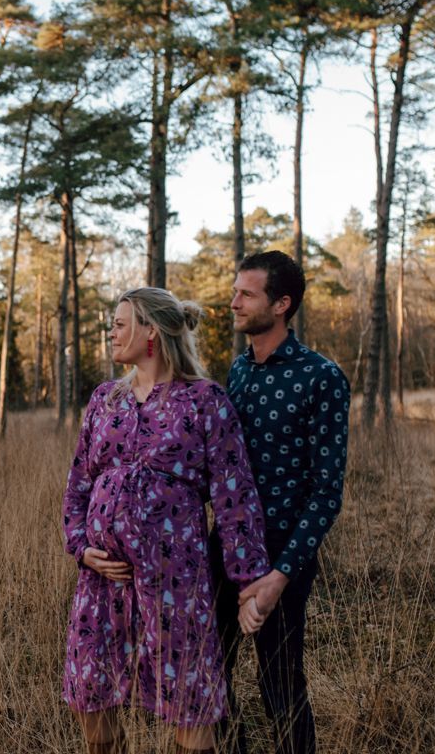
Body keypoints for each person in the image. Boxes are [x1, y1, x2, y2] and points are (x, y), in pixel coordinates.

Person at [61, 287, 271, 754]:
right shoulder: (104, 400)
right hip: (102, 583)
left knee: (190, 700)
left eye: (120, 323)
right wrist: (81, 547)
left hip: (175, 583)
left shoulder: (204, 401)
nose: (111, 333)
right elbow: (78, 484)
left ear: (150, 331)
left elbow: (235, 499)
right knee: (92, 694)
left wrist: (248, 581)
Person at [210, 251, 351, 754]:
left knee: (281, 685)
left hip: (283, 550)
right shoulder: (238, 373)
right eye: (235, 292)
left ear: (282, 303)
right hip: (224, 543)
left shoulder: (322, 378)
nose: (234, 303)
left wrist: (279, 575)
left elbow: (326, 492)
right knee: (209, 671)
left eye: (246, 294)